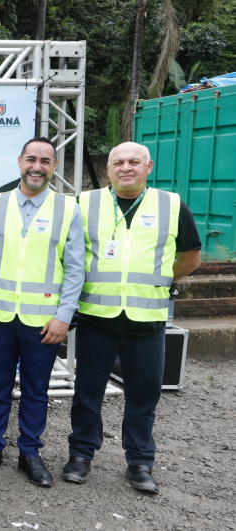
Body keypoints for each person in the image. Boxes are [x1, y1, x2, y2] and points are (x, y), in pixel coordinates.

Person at [63, 142, 202, 494]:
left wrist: (161, 280)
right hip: (97, 319)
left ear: (148, 167)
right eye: (119, 162)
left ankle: (140, 462)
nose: (127, 167)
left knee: (144, 398)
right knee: (86, 395)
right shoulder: (84, 203)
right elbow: (67, 253)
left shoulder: (171, 205)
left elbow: (191, 256)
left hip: (148, 322)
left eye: (134, 162)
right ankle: (80, 455)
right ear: (108, 169)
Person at [0, 136, 85, 487]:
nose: (37, 166)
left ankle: (30, 453)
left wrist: (64, 316)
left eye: (45, 161)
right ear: (19, 162)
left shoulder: (67, 209)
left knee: (35, 390)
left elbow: (75, 269)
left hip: (43, 323)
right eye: (31, 159)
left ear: (54, 167)